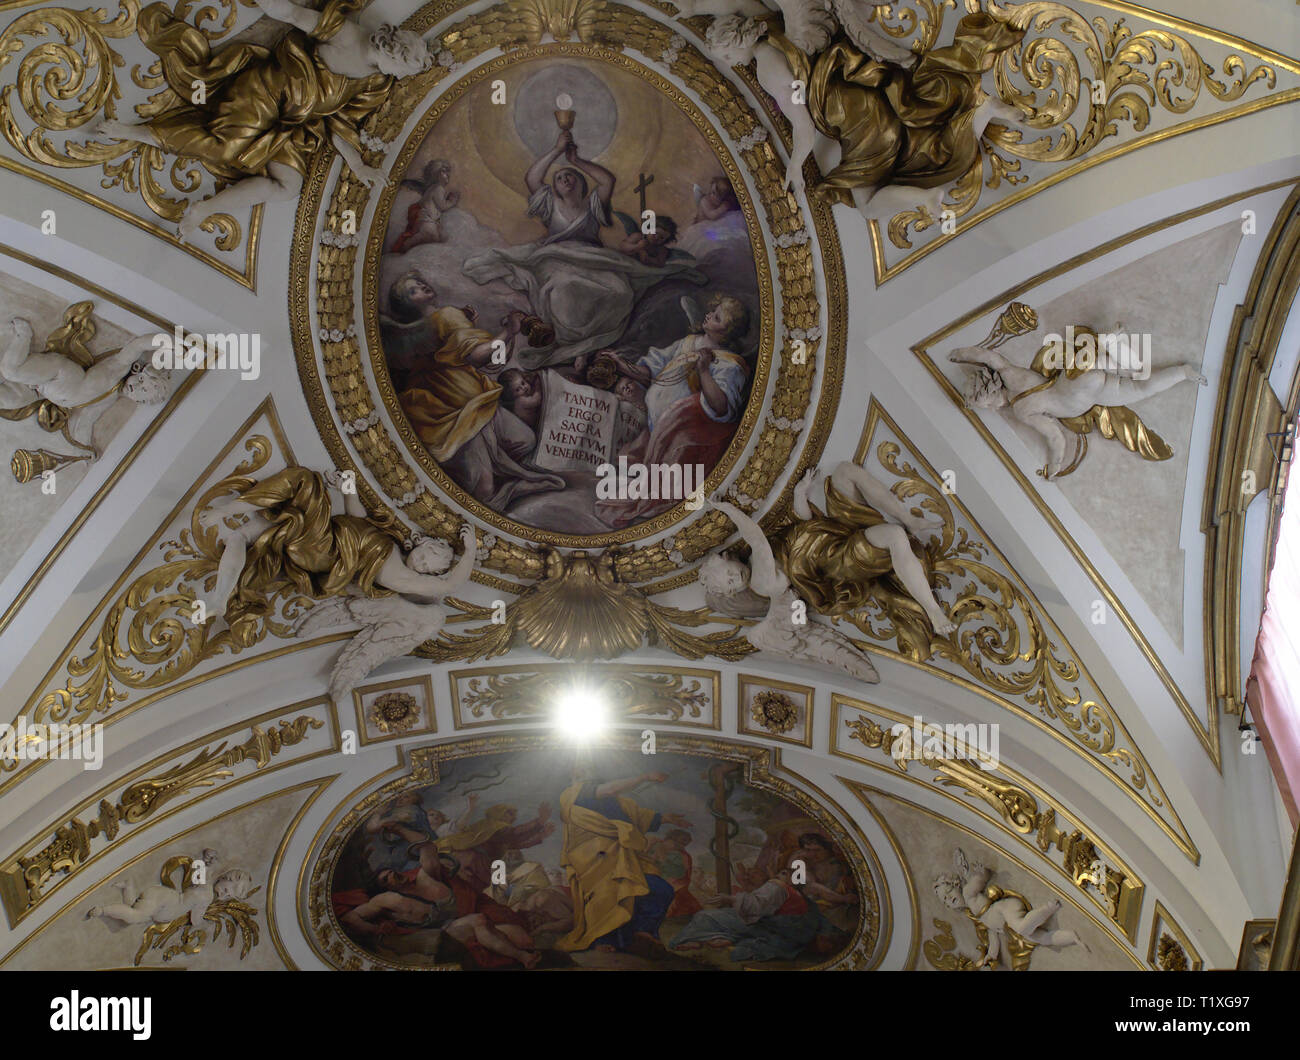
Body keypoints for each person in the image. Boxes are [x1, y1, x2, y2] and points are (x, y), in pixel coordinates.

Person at [96, 0, 430, 238]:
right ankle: (137, 132)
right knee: (224, 148)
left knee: (288, 187)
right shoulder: (345, 34)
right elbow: (291, 12)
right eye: (405, 69)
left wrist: (357, 166)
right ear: (394, 54)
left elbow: (338, 124)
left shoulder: (373, 81)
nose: (400, 77)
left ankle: (205, 209)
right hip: (264, 93)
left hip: (290, 126)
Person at [556, 770, 691, 956]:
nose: (585, 778)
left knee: (660, 889)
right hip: (593, 861)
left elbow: (639, 816)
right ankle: (603, 940)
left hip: (625, 860)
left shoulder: (619, 803)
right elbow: (609, 790)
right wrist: (643, 777)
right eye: (580, 775)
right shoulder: (571, 795)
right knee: (607, 893)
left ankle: (642, 933)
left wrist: (665, 818)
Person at [392, 159, 459, 252]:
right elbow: (443, 206)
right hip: (426, 220)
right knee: (432, 237)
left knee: (437, 238)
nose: (447, 174)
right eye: (443, 171)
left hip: (425, 219)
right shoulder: (438, 188)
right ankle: (407, 244)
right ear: (436, 173)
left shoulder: (435, 188)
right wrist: (452, 201)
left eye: (447, 171)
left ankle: (408, 244)